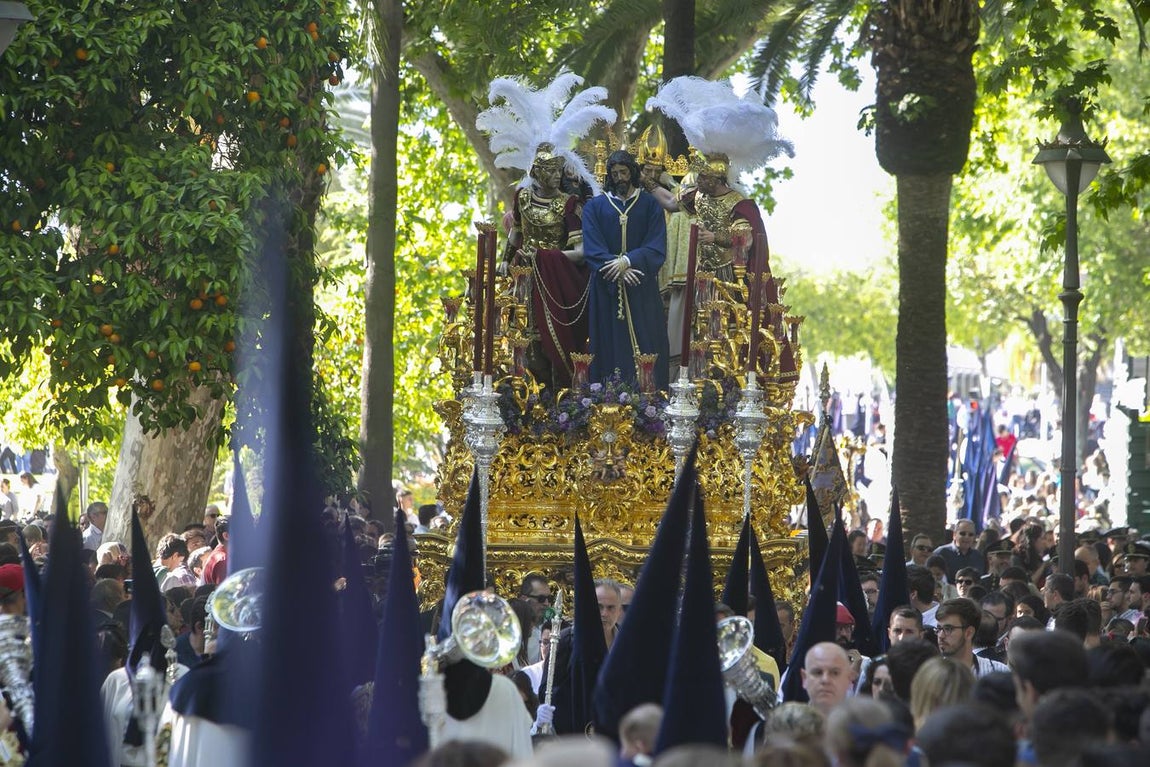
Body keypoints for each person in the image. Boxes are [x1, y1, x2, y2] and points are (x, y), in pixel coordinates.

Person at [502, 143, 591, 389]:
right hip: (524, 278)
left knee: (551, 341)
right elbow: (516, 233)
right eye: (551, 171)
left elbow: (581, 253)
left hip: (555, 281)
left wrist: (544, 255)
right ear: (537, 173)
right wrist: (504, 259)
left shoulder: (569, 204)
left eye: (558, 171)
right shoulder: (522, 198)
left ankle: (557, 392)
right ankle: (523, 390)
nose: (557, 176)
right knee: (522, 337)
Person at [582, 149, 670, 391]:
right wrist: (617, 267)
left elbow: (656, 245)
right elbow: (592, 247)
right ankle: (606, 396)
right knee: (608, 341)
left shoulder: (650, 205)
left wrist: (629, 261)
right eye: (615, 173)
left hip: (639, 284)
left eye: (624, 172)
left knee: (646, 337)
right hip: (606, 287)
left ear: (632, 172)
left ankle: (647, 395)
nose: (620, 177)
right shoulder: (595, 207)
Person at [934, 598, 1008, 678]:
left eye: (948, 629)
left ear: (969, 633)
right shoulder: (930, 674)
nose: (940, 636)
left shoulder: (998, 672)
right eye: (938, 629)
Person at [800, 642, 853, 715]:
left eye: (835, 673)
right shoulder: (788, 725)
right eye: (818, 672)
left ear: (849, 679)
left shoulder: (864, 724)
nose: (825, 680)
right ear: (804, 678)